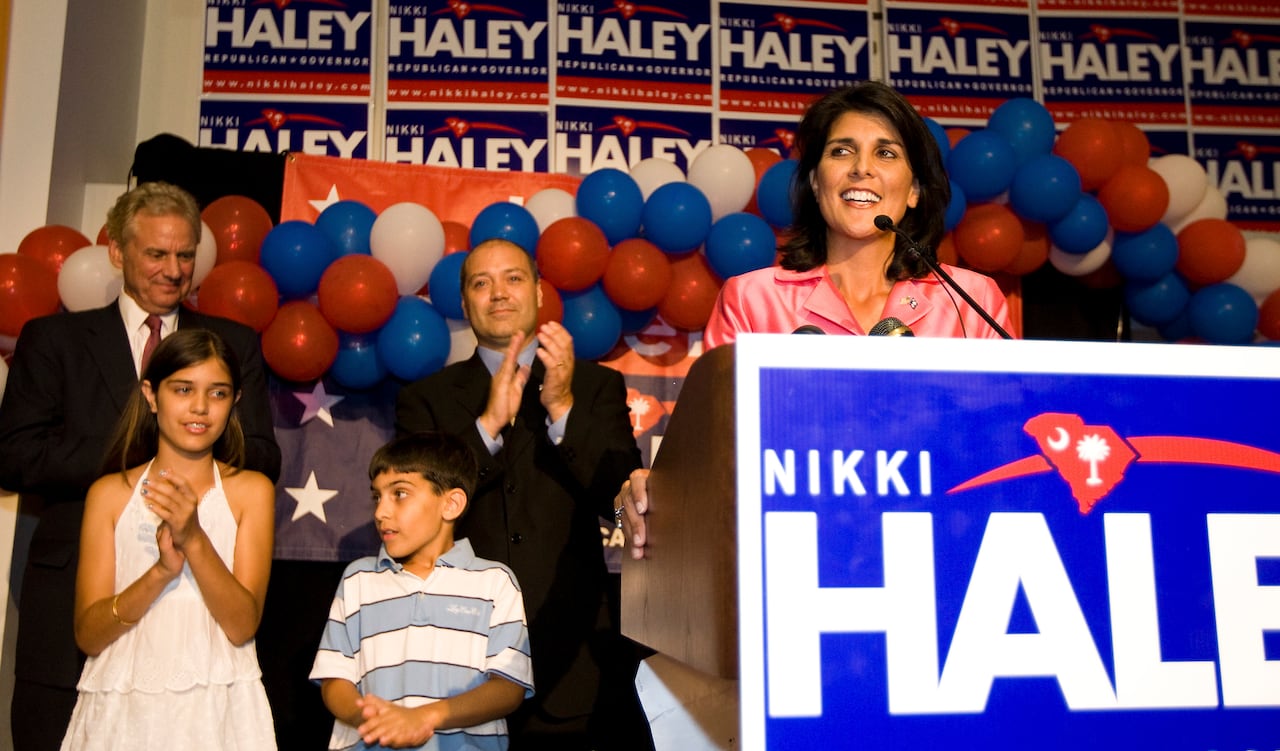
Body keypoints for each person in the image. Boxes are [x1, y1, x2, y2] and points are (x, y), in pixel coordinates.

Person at [617, 80, 1015, 554]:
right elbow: (712, 451)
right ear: (814, 181)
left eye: (886, 154)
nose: (862, 169)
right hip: (798, 551)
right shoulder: (753, 299)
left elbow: (1010, 440)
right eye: (841, 152)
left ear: (914, 191)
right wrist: (649, 493)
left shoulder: (969, 299)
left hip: (947, 545)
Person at [0, 181, 281, 750]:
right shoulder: (55, 339)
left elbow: (263, 453)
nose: (173, 270)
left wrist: (190, 453)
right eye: (156, 254)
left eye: (185, 256)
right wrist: (142, 459)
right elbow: (14, 456)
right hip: (71, 604)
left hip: (202, 611)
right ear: (117, 253)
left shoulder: (233, 343)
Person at [395, 238, 653, 750]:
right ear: (464, 304)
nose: (498, 293)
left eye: (513, 278)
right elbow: (412, 515)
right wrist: (488, 426)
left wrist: (561, 409)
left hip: (573, 659)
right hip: (455, 656)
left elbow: (620, 495)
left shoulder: (595, 386)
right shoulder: (424, 399)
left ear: (538, 292)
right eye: (480, 283)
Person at [60, 328, 276, 750]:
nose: (199, 407)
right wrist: (160, 572)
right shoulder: (109, 494)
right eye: (183, 389)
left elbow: (241, 624)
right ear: (152, 395)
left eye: (217, 393)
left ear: (235, 402)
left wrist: (194, 538)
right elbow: (89, 634)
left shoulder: (251, 491)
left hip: (217, 708)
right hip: (124, 708)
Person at [310, 431, 533, 750]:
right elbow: (334, 679)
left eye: (399, 493)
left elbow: (508, 687)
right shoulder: (358, 580)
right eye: (377, 496)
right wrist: (376, 720)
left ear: (452, 503)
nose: (380, 512)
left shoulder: (495, 582)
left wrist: (423, 717)